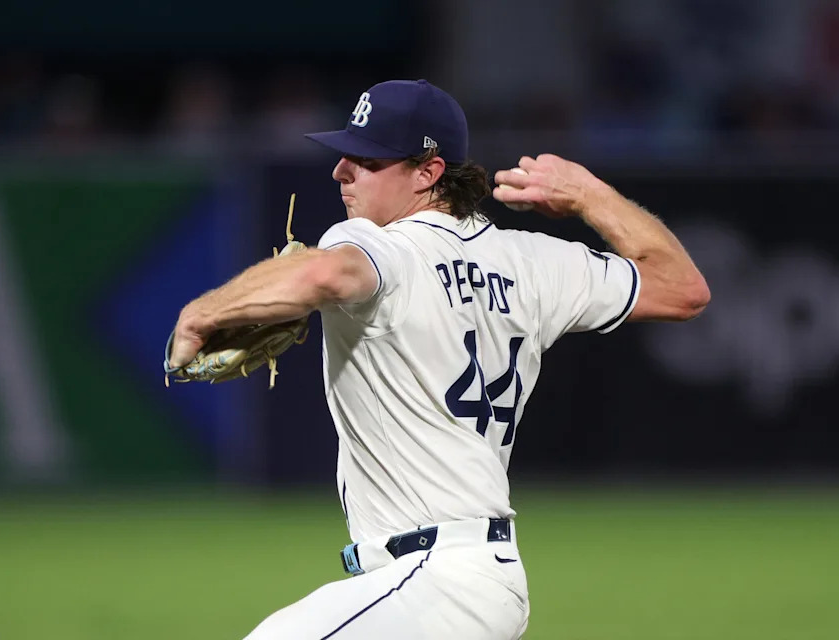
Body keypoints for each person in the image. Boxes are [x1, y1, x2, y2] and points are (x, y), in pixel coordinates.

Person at [168, 79, 710, 639]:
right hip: (467, 580)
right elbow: (682, 288)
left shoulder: (384, 245)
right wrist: (591, 195)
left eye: (366, 158)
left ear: (427, 172)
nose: (340, 171)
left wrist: (200, 315)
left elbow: (322, 272)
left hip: (433, 582)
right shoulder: (534, 263)